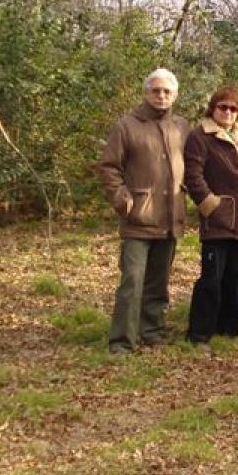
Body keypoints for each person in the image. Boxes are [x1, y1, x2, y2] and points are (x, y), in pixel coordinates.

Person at [99, 68, 190, 354]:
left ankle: (152, 330)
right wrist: (120, 196)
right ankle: (122, 341)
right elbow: (108, 167)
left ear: (175, 95)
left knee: (158, 281)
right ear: (146, 92)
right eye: (156, 90)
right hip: (138, 216)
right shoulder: (127, 125)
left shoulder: (182, 126)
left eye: (167, 91)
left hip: (170, 216)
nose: (161, 96)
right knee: (132, 281)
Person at [184, 86, 238, 344]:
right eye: (223, 107)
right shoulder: (200, 136)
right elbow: (193, 175)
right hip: (218, 217)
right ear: (213, 108)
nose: (228, 112)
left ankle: (229, 329)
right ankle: (199, 334)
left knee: (235, 277)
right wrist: (209, 204)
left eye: (233, 108)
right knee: (211, 279)